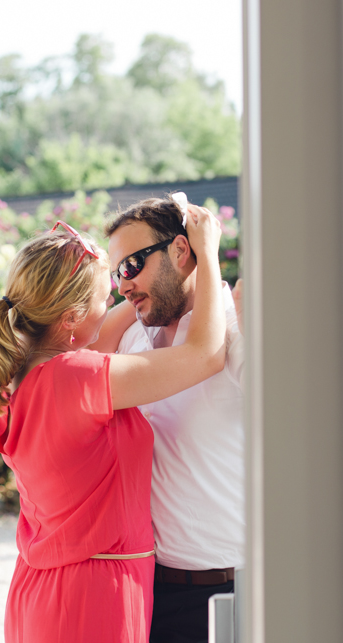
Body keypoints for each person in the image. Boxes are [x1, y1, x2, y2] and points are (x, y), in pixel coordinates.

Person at [0, 207, 225, 643]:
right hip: (93, 595)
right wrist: (207, 253)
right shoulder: (77, 377)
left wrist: (146, 286)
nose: (116, 298)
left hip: (40, 588)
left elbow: (98, 336)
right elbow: (205, 354)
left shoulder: (14, 379)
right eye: (103, 296)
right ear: (70, 318)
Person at [101, 196, 245, 643]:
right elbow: (78, 356)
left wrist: (204, 264)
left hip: (230, 592)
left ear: (181, 251)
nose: (121, 285)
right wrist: (143, 285)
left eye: (131, 266)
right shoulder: (131, 337)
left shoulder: (238, 330)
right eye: (115, 273)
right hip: (150, 592)